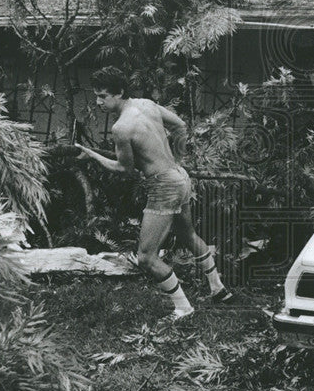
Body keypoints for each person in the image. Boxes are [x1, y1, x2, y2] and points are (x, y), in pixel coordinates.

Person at [76, 66, 233, 320]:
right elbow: (180, 125)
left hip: (164, 186)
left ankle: (183, 308)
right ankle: (218, 289)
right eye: (97, 95)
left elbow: (124, 169)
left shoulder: (121, 128)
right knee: (187, 233)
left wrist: (92, 155)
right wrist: (176, 158)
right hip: (180, 177)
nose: (98, 101)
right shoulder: (147, 105)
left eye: (103, 96)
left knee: (146, 258)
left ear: (120, 93)